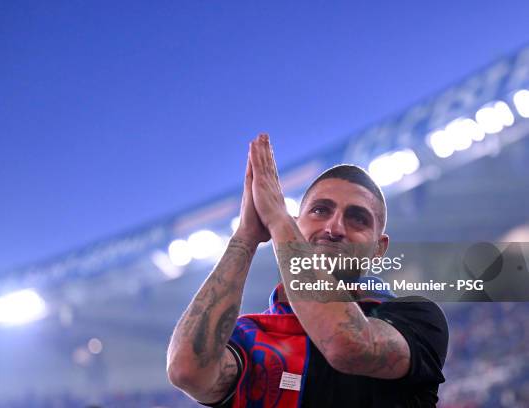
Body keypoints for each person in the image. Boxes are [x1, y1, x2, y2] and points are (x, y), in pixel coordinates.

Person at [166, 134, 448, 407]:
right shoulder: (253, 337)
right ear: (297, 226)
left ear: (378, 249)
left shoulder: (416, 317)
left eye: (357, 218)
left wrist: (277, 218)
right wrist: (246, 236)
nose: (334, 228)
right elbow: (187, 371)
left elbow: (346, 344)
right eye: (320, 211)